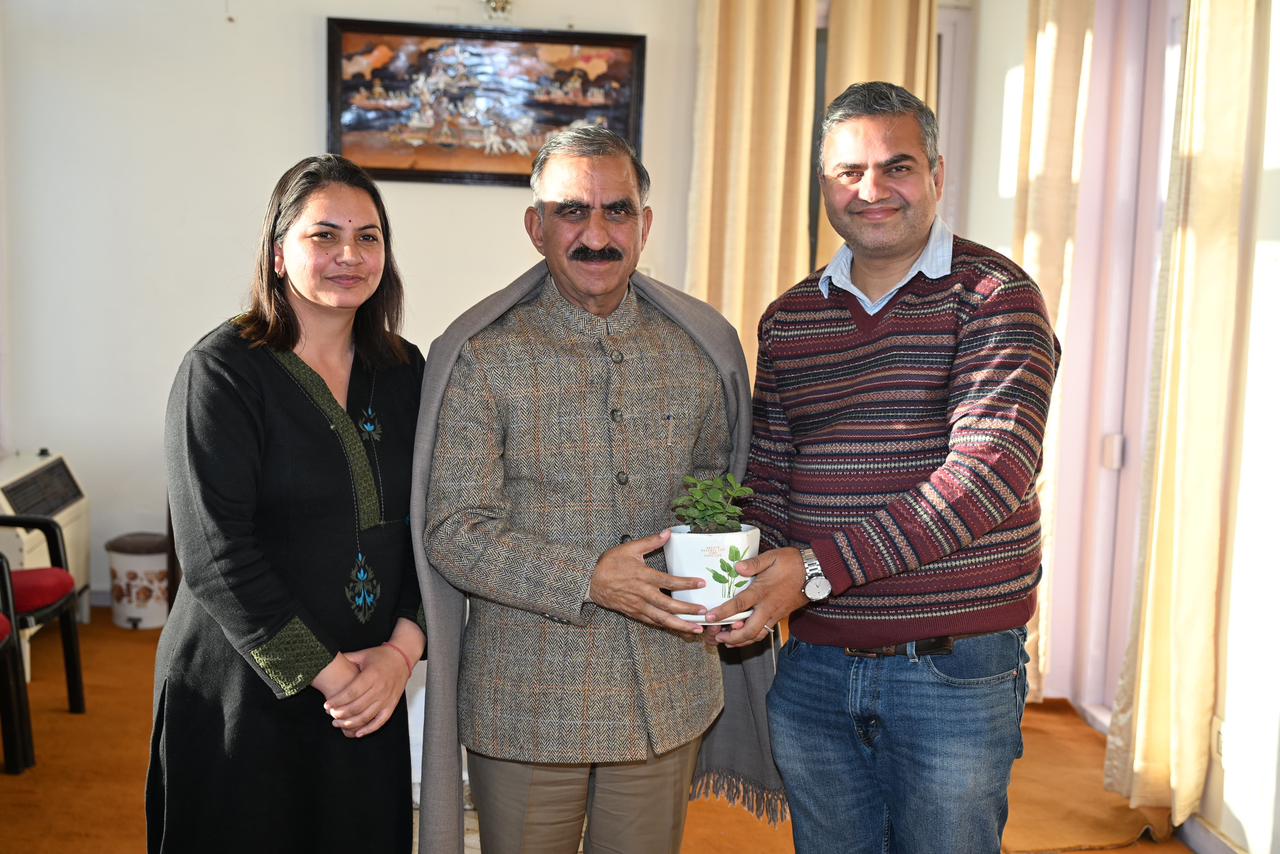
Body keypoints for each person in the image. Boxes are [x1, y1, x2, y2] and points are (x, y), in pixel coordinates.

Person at [704, 82, 1061, 854]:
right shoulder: (790, 319)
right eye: (849, 172)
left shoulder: (996, 297)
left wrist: (813, 571)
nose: (871, 190)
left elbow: (988, 476)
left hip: (952, 671)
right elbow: (770, 478)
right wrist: (728, 572)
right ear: (824, 186)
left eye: (896, 166)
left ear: (936, 174)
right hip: (815, 666)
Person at [409, 126, 782, 854]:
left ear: (645, 225)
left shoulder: (698, 350)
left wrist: (728, 577)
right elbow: (454, 530)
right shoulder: (484, 356)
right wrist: (587, 577)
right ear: (535, 227)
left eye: (617, 211)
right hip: (527, 702)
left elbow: (719, 494)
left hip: (666, 693)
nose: (597, 234)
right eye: (572, 211)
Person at [148, 154, 427, 853]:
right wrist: (334, 676)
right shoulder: (221, 371)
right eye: (323, 235)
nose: (349, 255)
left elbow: (432, 523)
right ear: (278, 254)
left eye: (368, 237)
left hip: (370, 688)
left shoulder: (405, 371)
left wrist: (399, 655)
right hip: (245, 690)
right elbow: (215, 557)